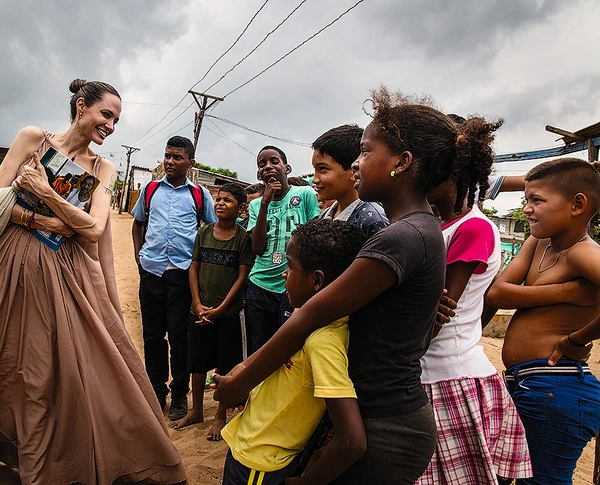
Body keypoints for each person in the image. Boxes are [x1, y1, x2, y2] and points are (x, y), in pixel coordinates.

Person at [215, 87, 503, 484]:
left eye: (366, 152)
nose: (355, 163)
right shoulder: (422, 230)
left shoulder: (401, 237)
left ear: (402, 163)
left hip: (388, 427)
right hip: (384, 413)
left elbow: (310, 314)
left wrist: (240, 381)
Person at [0, 79, 186, 485]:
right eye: (106, 114)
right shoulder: (33, 139)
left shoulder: (104, 167)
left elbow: (93, 227)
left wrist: (46, 195)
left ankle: (23, 457)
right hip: (3, 265)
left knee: (37, 377)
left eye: (117, 120)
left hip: (59, 276)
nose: (111, 126)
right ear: (81, 106)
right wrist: (44, 220)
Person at [418, 116, 533, 485]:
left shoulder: (473, 227)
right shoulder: (439, 224)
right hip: (431, 373)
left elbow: (439, 311)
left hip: (447, 379)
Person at [222, 219, 367, 485]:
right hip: (253, 451)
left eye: (289, 266)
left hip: (261, 465)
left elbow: (352, 441)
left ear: (316, 281)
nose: (283, 274)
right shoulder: (308, 317)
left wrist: (309, 482)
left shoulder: (324, 343)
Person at [486, 157, 600, 485]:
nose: (527, 209)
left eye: (537, 200)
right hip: (531, 385)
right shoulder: (539, 243)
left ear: (577, 204)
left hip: (557, 387)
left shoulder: (583, 253)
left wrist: (576, 340)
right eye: (526, 200)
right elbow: (498, 294)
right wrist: (566, 292)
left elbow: (507, 293)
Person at [131, 135, 217, 421]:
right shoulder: (151, 189)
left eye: (177, 157)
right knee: (153, 335)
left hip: (182, 275)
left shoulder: (199, 195)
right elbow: (138, 224)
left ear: (190, 163)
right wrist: (138, 257)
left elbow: (211, 229)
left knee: (180, 336)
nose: (170, 161)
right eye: (167, 155)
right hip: (152, 271)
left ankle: (179, 393)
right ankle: (157, 390)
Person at [172, 183, 255, 440]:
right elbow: (193, 268)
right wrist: (197, 304)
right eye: (218, 199)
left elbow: (242, 277)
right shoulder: (204, 233)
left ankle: (220, 415)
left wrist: (221, 308)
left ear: (241, 208)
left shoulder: (243, 238)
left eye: (227, 200)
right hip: (199, 312)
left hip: (228, 314)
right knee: (196, 362)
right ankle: (196, 410)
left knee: (225, 364)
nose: (220, 203)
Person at [247, 145, 320, 352]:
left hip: (294, 285)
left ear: (287, 168)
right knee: (260, 346)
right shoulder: (255, 205)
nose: (268, 167)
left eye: (274, 161)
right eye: (262, 165)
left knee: (290, 348)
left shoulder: (305, 194)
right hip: (261, 285)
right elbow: (258, 248)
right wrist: (264, 204)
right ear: (258, 174)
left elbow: (314, 237)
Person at [312, 124, 389, 236]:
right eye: (314, 169)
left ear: (354, 171)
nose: (314, 179)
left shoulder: (372, 220)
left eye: (322, 169)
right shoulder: (323, 218)